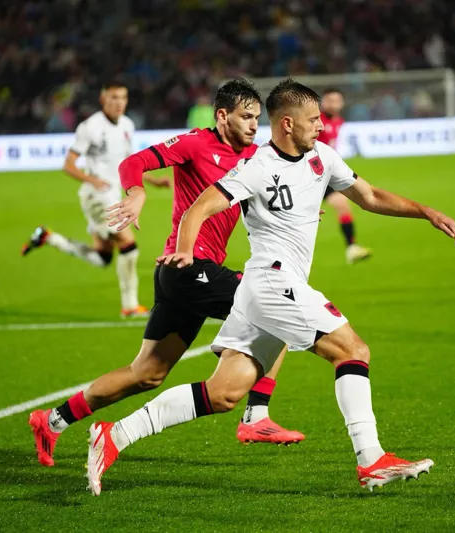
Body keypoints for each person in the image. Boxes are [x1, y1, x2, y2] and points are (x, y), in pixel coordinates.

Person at [87, 79, 455, 494]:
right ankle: (372, 459)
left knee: (223, 394)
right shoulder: (256, 167)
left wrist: (426, 212)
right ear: (287, 123)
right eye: (314, 120)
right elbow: (200, 206)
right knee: (353, 351)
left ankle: (115, 435)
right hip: (273, 281)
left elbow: (369, 195)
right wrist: (185, 250)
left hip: (259, 289)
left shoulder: (322, 156)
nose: (322, 127)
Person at [28, 79, 303, 469]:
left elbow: (269, 194)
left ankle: (52, 420)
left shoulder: (254, 157)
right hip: (189, 267)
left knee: (147, 373)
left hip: (182, 274)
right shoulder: (195, 143)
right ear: (222, 116)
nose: (253, 125)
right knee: (280, 308)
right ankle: (256, 416)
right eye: (246, 117)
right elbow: (132, 163)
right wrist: (136, 192)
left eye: (257, 117)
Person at [21, 81, 159, 318]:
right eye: (114, 97)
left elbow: (127, 162)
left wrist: (154, 181)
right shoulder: (90, 127)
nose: (119, 103)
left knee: (103, 257)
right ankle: (130, 306)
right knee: (129, 244)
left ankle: (49, 237)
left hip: (113, 192)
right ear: (103, 99)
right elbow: (69, 165)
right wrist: (93, 180)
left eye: (123, 98)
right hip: (98, 195)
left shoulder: (127, 124)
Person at [318, 88, 371, 264]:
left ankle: (351, 247)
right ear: (323, 102)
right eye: (330, 100)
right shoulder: (316, 120)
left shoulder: (339, 121)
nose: (334, 104)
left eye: (337, 101)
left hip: (326, 174)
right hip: (311, 173)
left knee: (342, 204)